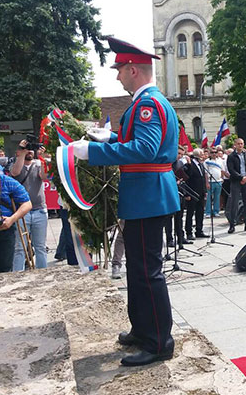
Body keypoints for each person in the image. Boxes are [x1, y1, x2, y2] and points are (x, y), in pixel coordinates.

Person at [71, 37, 179, 367]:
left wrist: (95, 153)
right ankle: (143, 329)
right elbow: (141, 143)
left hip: (148, 194)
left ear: (133, 70)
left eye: (120, 70)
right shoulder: (146, 102)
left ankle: (159, 340)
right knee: (138, 267)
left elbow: (145, 150)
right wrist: (112, 138)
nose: (117, 76)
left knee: (148, 271)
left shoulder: (148, 104)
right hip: (145, 194)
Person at [9, 139, 50, 271]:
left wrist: (42, 158)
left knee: (40, 247)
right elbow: (15, 172)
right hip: (21, 211)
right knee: (19, 247)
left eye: (32, 150)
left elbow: (44, 176)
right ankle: (17, 275)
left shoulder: (38, 163)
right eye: (28, 150)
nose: (30, 152)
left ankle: (43, 274)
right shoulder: (15, 163)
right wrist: (22, 152)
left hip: (39, 210)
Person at [225, 138, 246, 233]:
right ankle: (232, 224)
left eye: (242, 144)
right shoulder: (231, 156)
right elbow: (231, 169)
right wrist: (241, 178)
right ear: (235, 145)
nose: (240, 145)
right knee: (234, 202)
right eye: (238, 144)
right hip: (236, 181)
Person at [185, 148, 209, 239]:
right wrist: (187, 194)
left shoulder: (201, 165)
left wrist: (205, 191)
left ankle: (199, 230)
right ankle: (189, 232)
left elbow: (203, 179)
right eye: (202, 154)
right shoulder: (190, 164)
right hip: (192, 192)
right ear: (197, 156)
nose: (203, 156)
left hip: (201, 192)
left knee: (200, 212)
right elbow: (188, 177)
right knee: (190, 213)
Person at [204, 147, 224, 217]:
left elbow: (222, 170)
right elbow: (205, 173)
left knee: (217, 197)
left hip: (218, 181)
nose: (214, 154)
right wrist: (207, 183)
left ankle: (216, 211)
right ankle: (208, 212)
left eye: (215, 152)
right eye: (212, 152)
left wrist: (222, 178)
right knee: (209, 198)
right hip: (210, 181)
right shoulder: (206, 161)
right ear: (210, 153)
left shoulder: (220, 161)